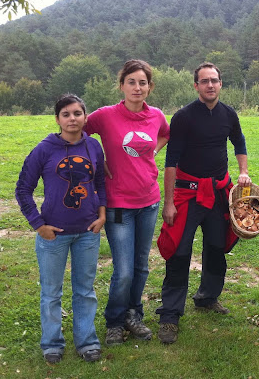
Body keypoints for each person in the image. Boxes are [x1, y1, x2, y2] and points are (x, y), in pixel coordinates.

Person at [155, 62, 252, 345]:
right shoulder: (184, 117)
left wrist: (243, 171)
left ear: (221, 84)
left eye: (215, 80)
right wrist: (169, 202)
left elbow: (239, 142)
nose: (210, 85)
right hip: (187, 194)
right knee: (179, 251)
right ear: (196, 85)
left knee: (216, 246)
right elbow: (171, 160)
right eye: (205, 81)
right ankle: (170, 315)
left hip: (218, 193)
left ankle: (208, 297)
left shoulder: (228, 114)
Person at [84, 59, 170, 345]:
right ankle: (115, 322)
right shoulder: (105, 116)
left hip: (149, 201)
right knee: (123, 271)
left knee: (141, 266)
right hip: (119, 205)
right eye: (131, 82)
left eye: (142, 83)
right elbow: (78, 131)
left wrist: (153, 152)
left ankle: (134, 315)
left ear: (150, 87)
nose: (137, 88)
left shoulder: (156, 115)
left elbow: (166, 134)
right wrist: (98, 160)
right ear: (121, 85)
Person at [15, 94, 106, 364]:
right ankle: (52, 343)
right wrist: (38, 224)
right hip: (53, 235)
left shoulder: (93, 146)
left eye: (77, 113)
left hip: (88, 232)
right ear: (57, 119)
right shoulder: (44, 149)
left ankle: (87, 341)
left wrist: (102, 214)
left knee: (85, 290)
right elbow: (23, 189)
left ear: (85, 117)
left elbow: (101, 183)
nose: (72, 119)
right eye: (66, 114)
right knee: (51, 292)